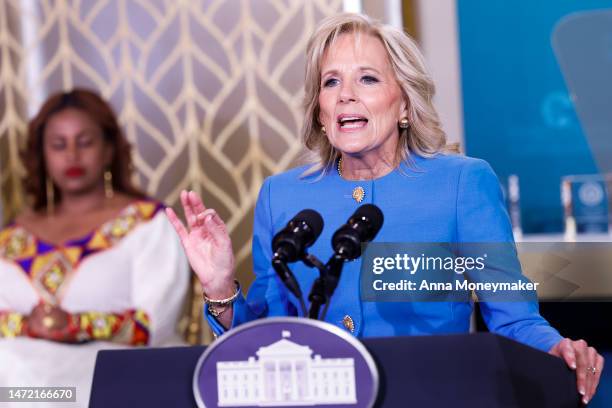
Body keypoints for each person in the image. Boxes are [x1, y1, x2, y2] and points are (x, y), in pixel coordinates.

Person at [166, 13, 603, 404]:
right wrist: (221, 285)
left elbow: (512, 317)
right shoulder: (282, 196)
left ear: (405, 103)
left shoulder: (460, 184)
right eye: (331, 81)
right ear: (319, 111)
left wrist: (556, 348)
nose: (345, 95)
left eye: (368, 79)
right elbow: (267, 333)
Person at [0, 89, 189, 406]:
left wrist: (74, 325)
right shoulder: (12, 237)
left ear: (108, 149)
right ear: (42, 155)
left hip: (114, 382)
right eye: (58, 145)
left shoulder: (148, 223)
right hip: (26, 389)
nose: (72, 155)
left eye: (84, 142)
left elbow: (155, 324)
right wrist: (28, 325)